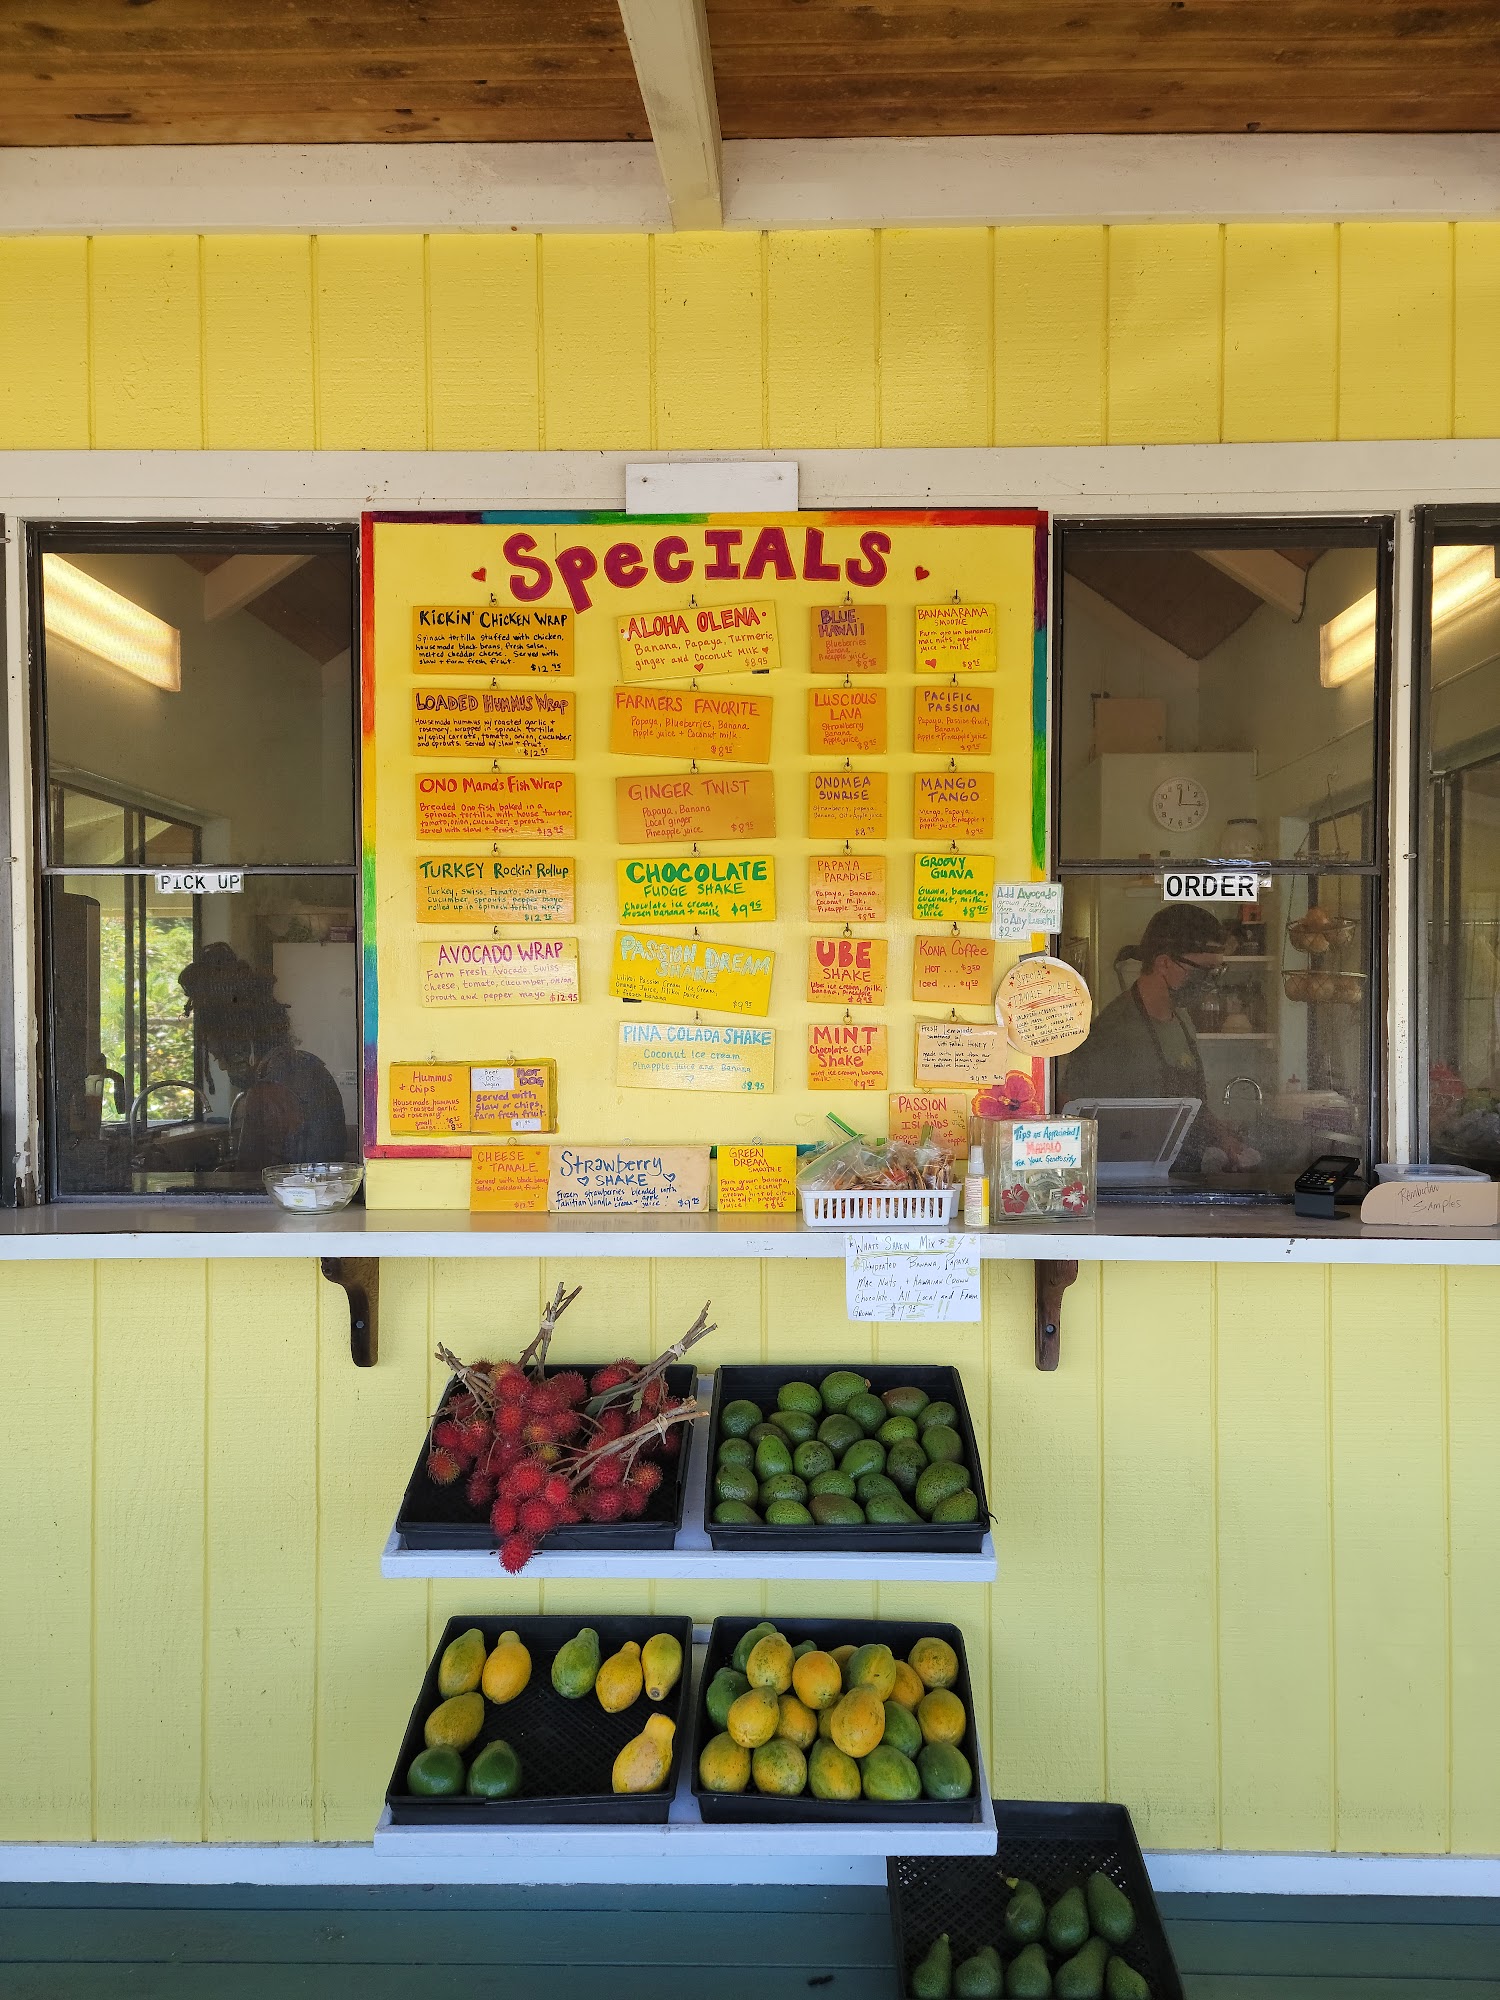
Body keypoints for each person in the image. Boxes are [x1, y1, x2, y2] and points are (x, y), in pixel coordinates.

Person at [1063, 904, 1260, 1174]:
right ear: (1164, 963)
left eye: (1218, 971)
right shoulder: (1113, 1032)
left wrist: (1223, 1138)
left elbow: (1190, 1103)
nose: (1211, 982)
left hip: (1180, 1174)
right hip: (1131, 1182)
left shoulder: (1182, 1018)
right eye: (1204, 970)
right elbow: (1071, 1112)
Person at [178, 941, 349, 1173]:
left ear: (242, 1043)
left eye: (221, 1057)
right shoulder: (311, 1067)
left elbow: (253, 1179)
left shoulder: (267, 1093)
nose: (222, 1067)